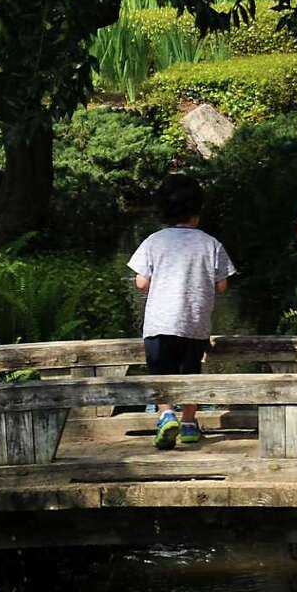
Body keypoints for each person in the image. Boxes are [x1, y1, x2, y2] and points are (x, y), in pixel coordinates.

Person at [128, 172, 235, 450]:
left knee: (160, 372)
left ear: (162, 210)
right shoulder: (210, 243)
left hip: (160, 322)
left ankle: (165, 414)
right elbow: (221, 285)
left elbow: (141, 282)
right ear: (198, 211)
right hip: (195, 323)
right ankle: (188, 422)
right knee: (191, 372)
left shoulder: (154, 241)